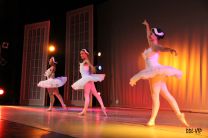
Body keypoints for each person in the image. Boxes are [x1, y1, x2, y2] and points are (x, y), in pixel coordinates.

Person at [129, 20, 189, 127]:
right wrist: (147, 26)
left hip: (155, 72)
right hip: (154, 72)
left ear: (155, 37)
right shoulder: (151, 44)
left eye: (152, 34)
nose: (150, 35)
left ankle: (152, 120)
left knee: (155, 96)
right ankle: (180, 116)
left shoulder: (155, 46)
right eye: (150, 33)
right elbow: (147, 35)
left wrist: (170, 49)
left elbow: (162, 48)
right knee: (167, 95)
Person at [72, 49, 107, 116]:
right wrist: (91, 69)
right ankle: (102, 107)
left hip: (86, 79)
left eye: (82, 53)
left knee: (87, 95)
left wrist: (92, 67)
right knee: (96, 94)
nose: (81, 55)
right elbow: (90, 70)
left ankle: (84, 111)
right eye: (80, 54)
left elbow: (92, 68)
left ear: (86, 54)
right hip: (88, 79)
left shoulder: (86, 61)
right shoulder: (85, 61)